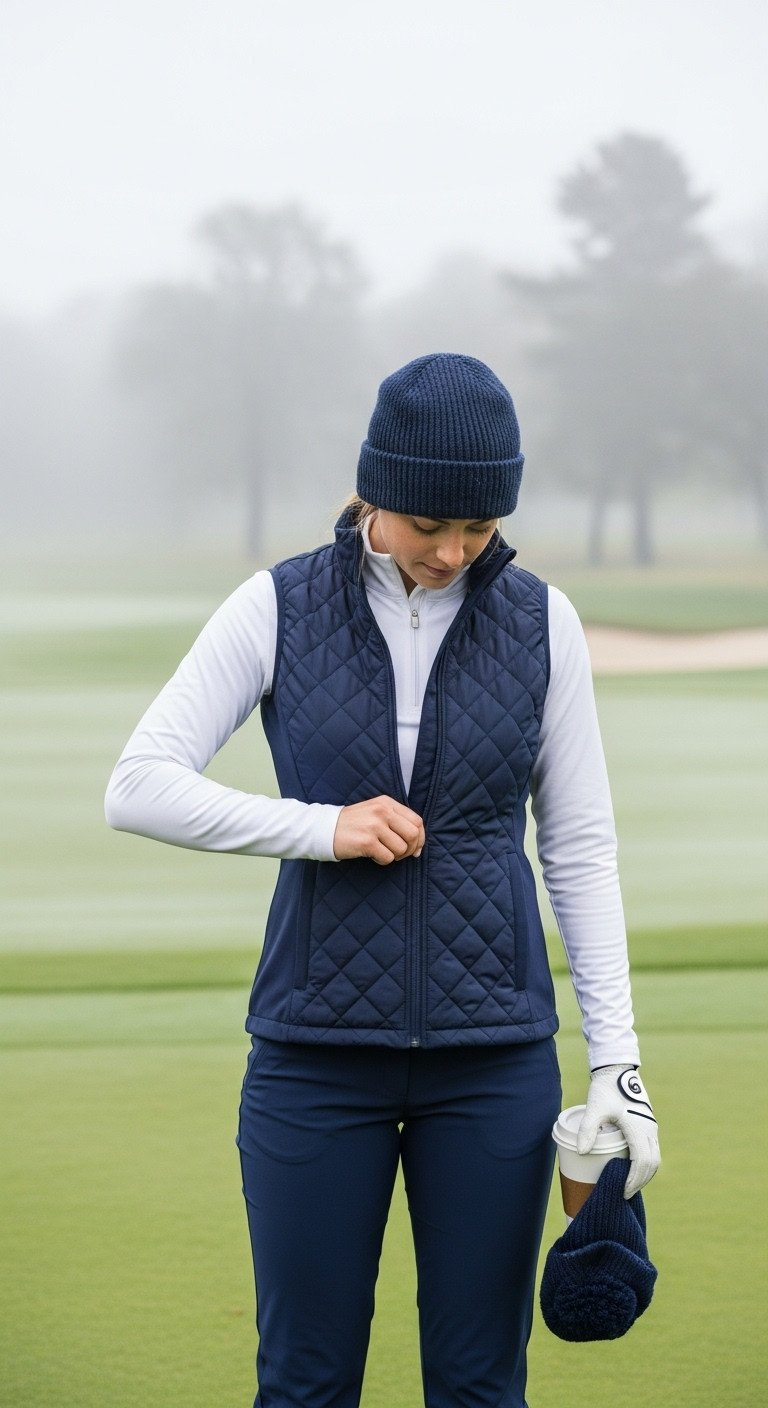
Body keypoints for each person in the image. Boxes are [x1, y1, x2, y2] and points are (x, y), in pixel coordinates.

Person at [105, 353, 661, 1408]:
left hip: (493, 1061)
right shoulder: (276, 606)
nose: (452, 552)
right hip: (313, 1059)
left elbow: (580, 846)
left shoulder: (545, 622)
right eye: (427, 524)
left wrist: (617, 1064)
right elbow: (137, 786)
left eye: (480, 528)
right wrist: (322, 828)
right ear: (374, 493)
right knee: (305, 1384)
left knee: (480, 1385)